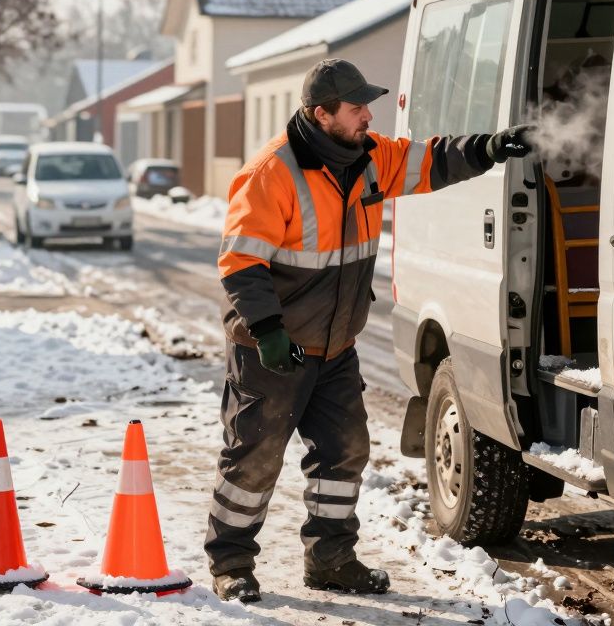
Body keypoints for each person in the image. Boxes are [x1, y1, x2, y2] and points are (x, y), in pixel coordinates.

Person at [207, 58, 533, 602]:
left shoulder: (371, 157)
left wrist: (492, 147)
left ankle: (331, 559)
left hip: (336, 347)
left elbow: (432, 160)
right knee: (255, 458)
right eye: (357, 107)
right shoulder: (272, 173)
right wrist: (267, 330)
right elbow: (241, 262)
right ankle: (231, 562)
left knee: (345, 451)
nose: (368, 115)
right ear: (322, 114)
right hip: (271, 351)